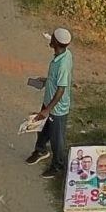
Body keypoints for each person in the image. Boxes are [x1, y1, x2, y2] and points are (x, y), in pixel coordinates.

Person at [26, 27, 72, 173]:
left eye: (52, 38)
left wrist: (48, 109)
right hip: (48, 101)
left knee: (57, 139)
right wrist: (47, 81)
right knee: (42, 128)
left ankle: (58, 165)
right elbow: (58, 81)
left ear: (56, 42)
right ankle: (40, 150)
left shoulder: (63, 64)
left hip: (56, 108)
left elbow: (61, 89)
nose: (50, 39)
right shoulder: (64, 54)